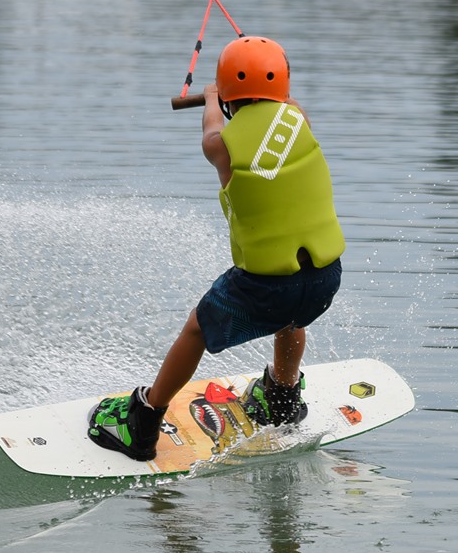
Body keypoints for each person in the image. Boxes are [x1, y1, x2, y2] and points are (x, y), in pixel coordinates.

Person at [88, 36, 345, 460]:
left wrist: (211, 96)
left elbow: (213, 127)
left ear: (227, 95)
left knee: (196, 329)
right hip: (323, 280)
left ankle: (143, 420)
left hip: (265, 285)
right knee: (291, 318)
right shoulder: (299, 119)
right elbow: (287, 104)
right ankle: (280, 398)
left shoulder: (220, 146)